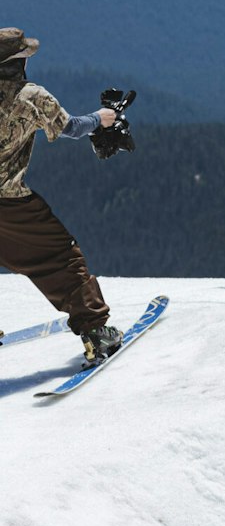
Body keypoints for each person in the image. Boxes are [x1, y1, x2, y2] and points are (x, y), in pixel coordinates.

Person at [0, 28, 122, 366]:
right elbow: (69, 127)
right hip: (7, 200)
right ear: (17, 61)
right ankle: (97, 333)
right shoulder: (30, 95)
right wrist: (102, 119)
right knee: (58, 258)